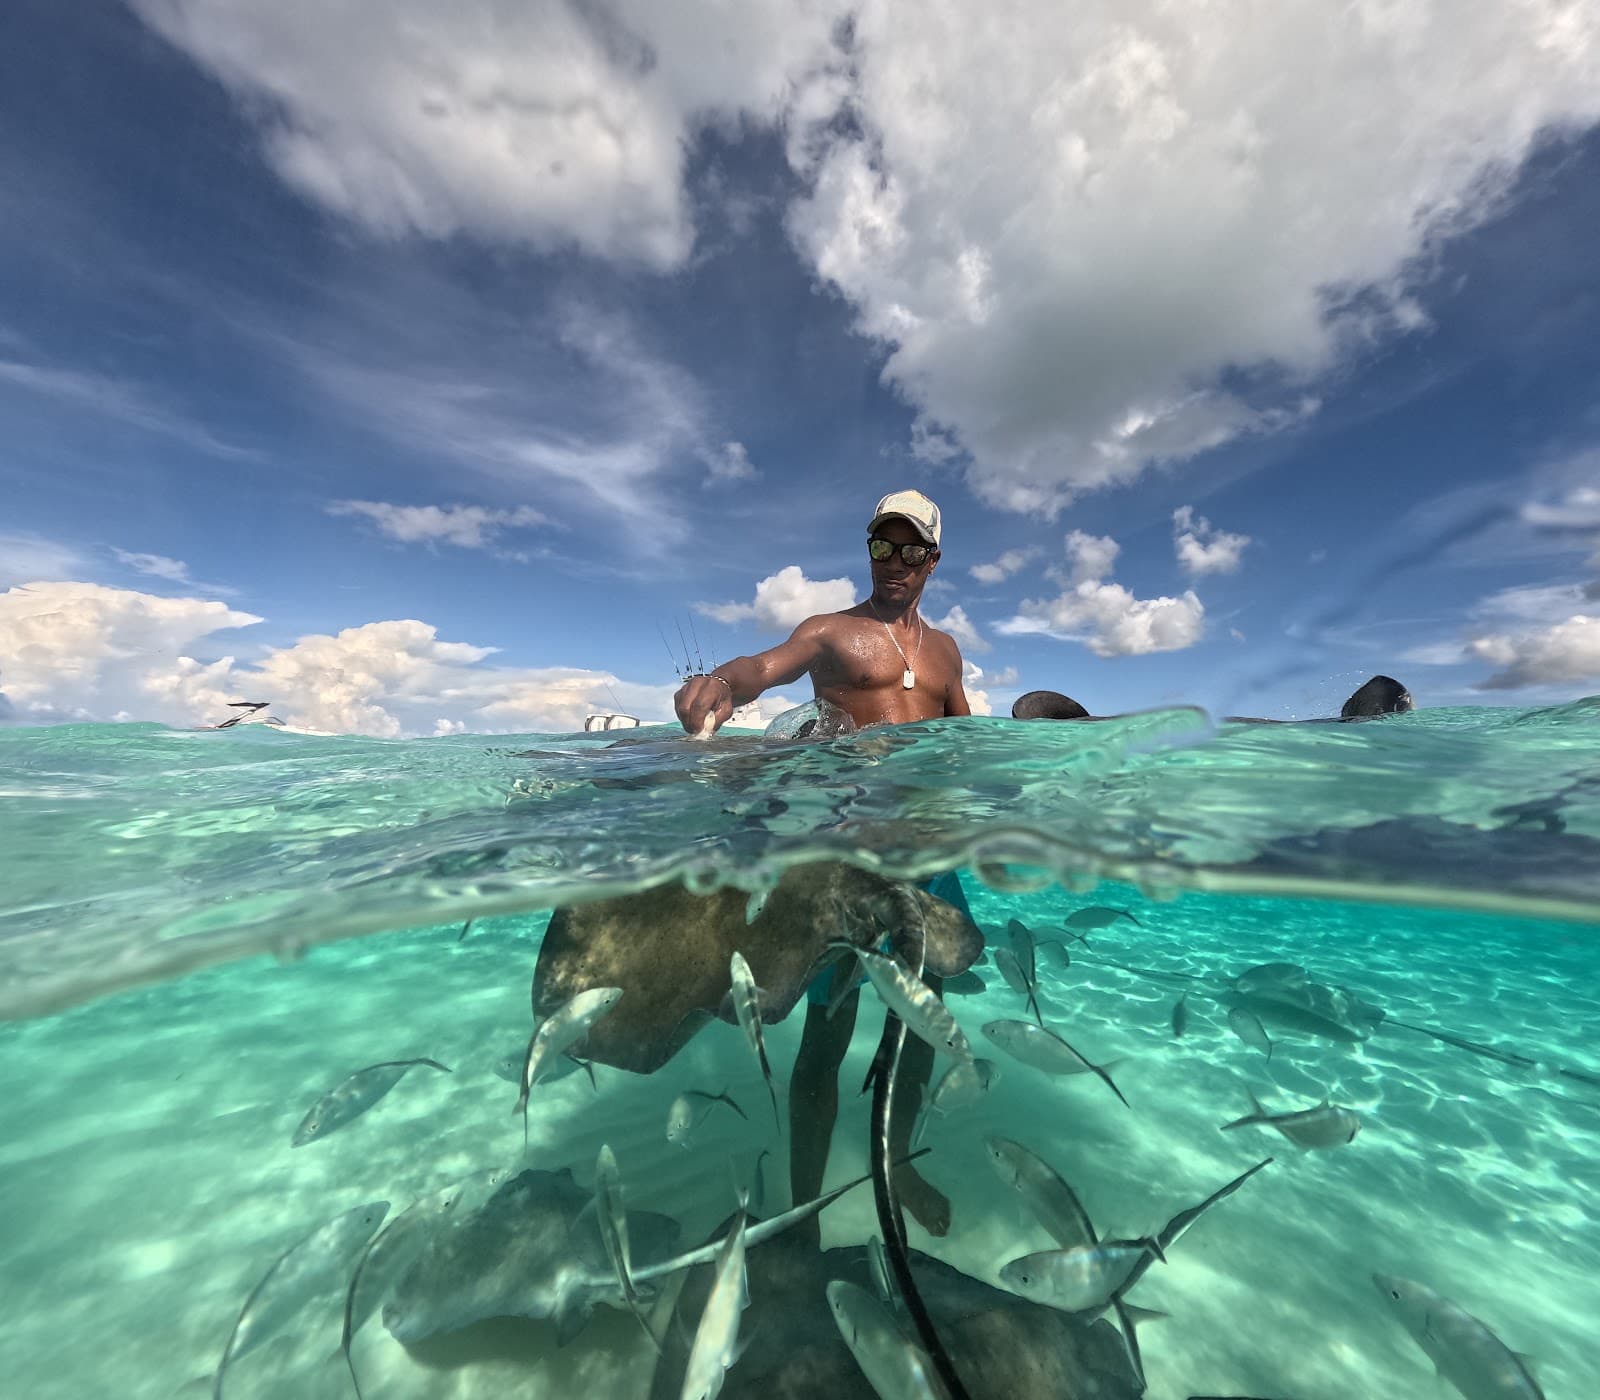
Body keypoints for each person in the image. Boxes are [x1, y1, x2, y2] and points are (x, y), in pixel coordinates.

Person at [674, 488, 971, 1236]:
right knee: (827, 1036)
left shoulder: (946, 651)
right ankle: (804, 1208)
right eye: (881, 545)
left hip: (927, 853)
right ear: (868, 549)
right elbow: (764, 666)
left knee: (924, 1017)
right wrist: (722, 685)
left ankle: (896, 1162)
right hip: (844, 859)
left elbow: (966, 734)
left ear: (933, 560)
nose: (894, 562)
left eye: (910, 550)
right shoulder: (833, 633)